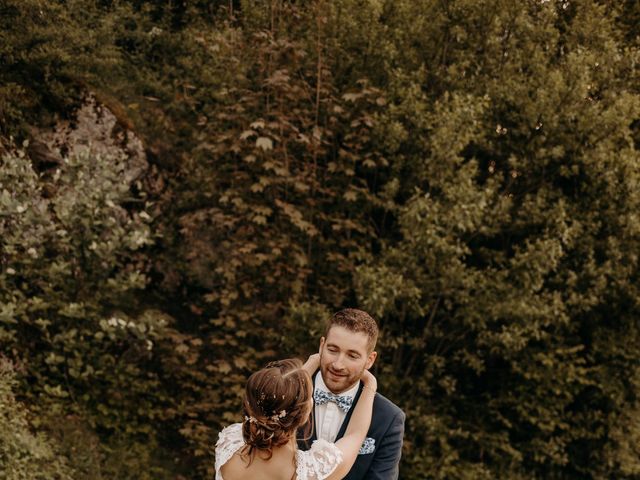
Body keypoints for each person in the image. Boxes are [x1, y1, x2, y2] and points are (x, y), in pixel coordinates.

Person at [215, 354, 378, 480]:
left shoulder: (228, 444)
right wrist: (370, 383)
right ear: (305, 412)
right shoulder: (311, 471)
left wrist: (312, 363)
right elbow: (355, 434)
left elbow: (280, 395)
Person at [298, 309, 405, 480]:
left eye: (352, 356)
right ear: (321, 345)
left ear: (370, 360)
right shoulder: (285, 395)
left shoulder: (388, 418)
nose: (338, 365)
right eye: (333, 350)